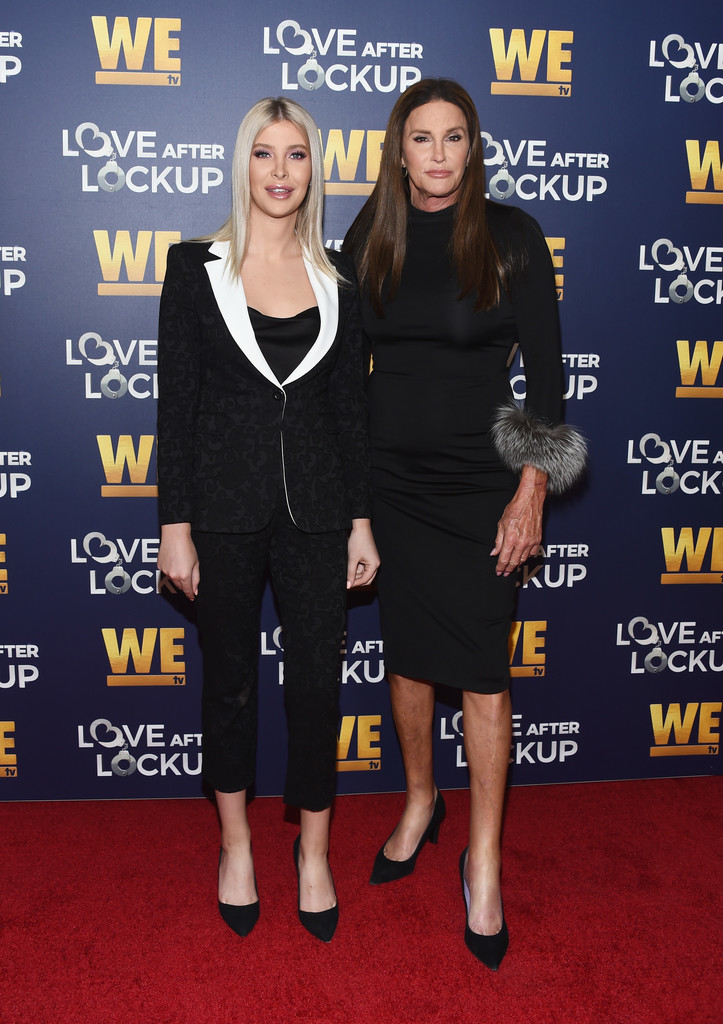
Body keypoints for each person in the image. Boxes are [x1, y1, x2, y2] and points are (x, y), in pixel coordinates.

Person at [343, 79, 585, 969]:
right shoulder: (371, 236)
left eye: (454, 137)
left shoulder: (511, 236)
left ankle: (482, 861)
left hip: (481, 488)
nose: (438, 154)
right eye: (422, 137)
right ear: (398, 149)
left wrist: (531, 490)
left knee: (482, 670)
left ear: (472, 148)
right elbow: (343, 374)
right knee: (406, 653)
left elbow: (548, 378)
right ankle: (419, 801)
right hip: (390, 484)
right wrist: (350, 501)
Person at [157, 97, 379, 944]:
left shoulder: (340, 278)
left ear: (313, 167)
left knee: (317, 686)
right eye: (264, 153)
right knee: (230, 683)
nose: (280, 171)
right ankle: (238, 845)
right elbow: (176, 405)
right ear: (242, 163)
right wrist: (175, 525)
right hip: (220, 510)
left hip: (318, 511)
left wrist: (360, 521)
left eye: (295, 154)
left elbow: (351, 415)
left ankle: (313, 851)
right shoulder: (194, 268)